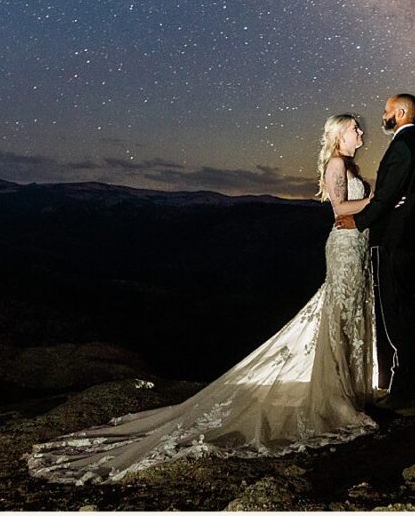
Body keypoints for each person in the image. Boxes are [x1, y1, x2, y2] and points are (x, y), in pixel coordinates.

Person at [27, 114, 379, 484]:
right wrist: (376, 200)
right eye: (355, 128)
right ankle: (335, 394)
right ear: (340, 134)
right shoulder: (336, 164)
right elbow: (339, 209)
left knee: (350, 312)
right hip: (344, 248)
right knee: (339, 311)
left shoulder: (348, 165)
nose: (361, 132)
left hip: (356, 246)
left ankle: (348, 387)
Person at [336, 93, 415, 416]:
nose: (383, 115)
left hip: (399, 242)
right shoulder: (411, 143)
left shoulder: (404, 146)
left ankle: (404, 395)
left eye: (387, 111)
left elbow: (388, 195)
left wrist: (359, 221)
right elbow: (392, 194)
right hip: (405, 240)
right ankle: (402, 390)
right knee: (400, 314)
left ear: (400, 113)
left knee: (398, 315)